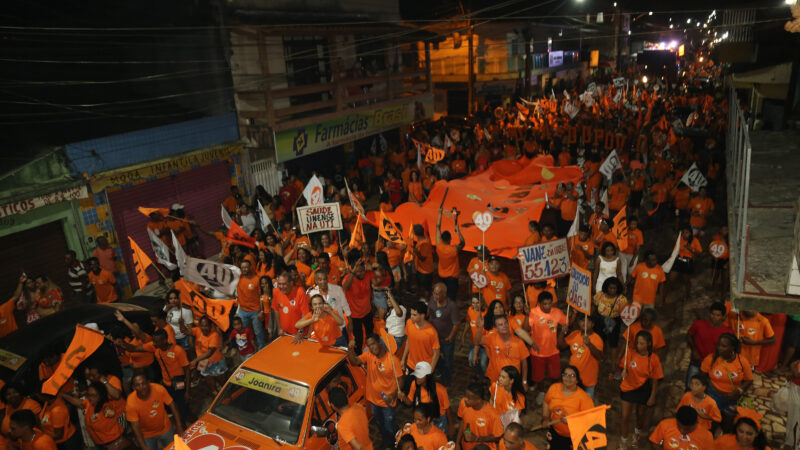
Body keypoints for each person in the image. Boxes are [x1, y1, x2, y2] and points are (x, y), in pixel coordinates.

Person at [119, 329, 191, 420]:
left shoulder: (178, 351)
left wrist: (188, 391)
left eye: (157, 341)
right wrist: (123, 343)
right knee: (173, 406)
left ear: (165, 340)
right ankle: (182, 420)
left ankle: (188, 419)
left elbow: (187, 370)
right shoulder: (154, 347)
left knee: (183, 405)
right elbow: (134, 348)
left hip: (179, 383)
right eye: (154, 341)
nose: (154, 343)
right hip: (166, 384)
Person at [347, 334, 402, 448]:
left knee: (389, 426)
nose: (371, 348)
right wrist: (350, 350)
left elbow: (400, 380)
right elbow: (354, 362)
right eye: (369, 346)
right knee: (381, 424)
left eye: (373, 344)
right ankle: (390, 440)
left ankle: (393, 444)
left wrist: (393, 394)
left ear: (379, 342)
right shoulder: (369, 355)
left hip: (387, 402)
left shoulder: (393, 360)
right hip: (373, 400)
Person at [619, 330, 663, 449]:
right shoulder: (630, 353)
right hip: (628, 387)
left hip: (643, 389)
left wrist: (652, 395)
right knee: (625, 417)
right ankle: (623, 441)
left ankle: (636, 436)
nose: (638, 346)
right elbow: (623, 369)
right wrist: (622, 371)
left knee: (640, 415)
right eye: (637, 343)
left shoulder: (654, 359)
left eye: (642, 343)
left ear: (648, 344)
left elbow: (655, 379)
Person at [701, 333, 753, 430]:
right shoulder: (711, 359)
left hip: (732, 398)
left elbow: (749, 380)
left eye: (724, 346)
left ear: (732, 348)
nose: (719, 348)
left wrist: (739, 391)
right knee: (711, 425)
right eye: (718, 345)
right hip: (713, 397)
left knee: (728, 425)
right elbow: (702, 378)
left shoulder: (742, 361)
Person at [60, 382, 128, 450]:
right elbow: (80, 403)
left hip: (114, 443)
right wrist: (63, 395)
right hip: (99, 444)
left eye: (93, 395)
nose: (90, 398)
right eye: (88, 395)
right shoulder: (90, 403)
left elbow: (110, 411)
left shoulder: (106, 405)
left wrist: (110, 412)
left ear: (100, 395)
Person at [527, 291, 567, 405]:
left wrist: (571, 317)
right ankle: (542, 392)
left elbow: (566, 322)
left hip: (553, 351)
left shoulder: (557, 312)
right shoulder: (533, 313)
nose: (548, 306)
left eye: (550, 303)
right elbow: (526, 328)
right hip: (537, 353)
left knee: (555, 375)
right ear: (539, 303)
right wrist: (526, 315)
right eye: (545, 304)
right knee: (539, 377)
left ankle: (554, 392)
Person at [542, 365, 594, 450]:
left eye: (572, 376)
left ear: (577, 380)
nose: (568, 378)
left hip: (573, 437)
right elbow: (546, 402)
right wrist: (545, 417)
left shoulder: (584, 398)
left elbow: (590, 420)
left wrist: (573, 421)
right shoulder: (554, 388)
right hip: (554, 431)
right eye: (565, 374)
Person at [126, 374, 183, 450]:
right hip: (147, 435)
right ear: (133, 388)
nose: (141, 387)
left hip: (165, 428)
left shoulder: (159, 389)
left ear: (148, 383)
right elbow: (135, 427)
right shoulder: (130, 403)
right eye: (138, 385)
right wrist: (143, 446)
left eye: (144, 383)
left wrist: (179, 426)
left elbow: (172, 405)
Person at [686, 302, 733, 388]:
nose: (714, 317)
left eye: (718, 315)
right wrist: (693, 349)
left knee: (709, 391)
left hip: (713, 367)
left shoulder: (727, 332)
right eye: (712, 314)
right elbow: (689, 335)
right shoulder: (698, 324)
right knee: (690, 388)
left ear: (723, 317)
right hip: (696, 363)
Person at [559, 313, 604, 399]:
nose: (585, 323)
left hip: (588, 380)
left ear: (593, 324)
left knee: (586, 406)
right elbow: (560, 346)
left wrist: (589, 344)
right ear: (579, 323)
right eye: (582, 321)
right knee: (572, 401)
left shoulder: (597, 339)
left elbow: (600, 357)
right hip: (573, 379)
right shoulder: (575, 334)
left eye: (588, 321)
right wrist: (562, 332)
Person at [403, 362, 454, 435]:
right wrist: (403, 397)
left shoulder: (440, 390)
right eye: (416, 375)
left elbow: (448, 409)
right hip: (422, 420)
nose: (417, 378)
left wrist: (451, 425)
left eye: (420, 376)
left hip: (438, 420)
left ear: (428, 376)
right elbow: (409, 402)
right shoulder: (414, 384)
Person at [474, 315, 528, 384]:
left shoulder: (519, 342)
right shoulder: (492, 338)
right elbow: (478, 341)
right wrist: (480, 328)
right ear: (496, 328)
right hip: (496, 379)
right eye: (501, 325)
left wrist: (524, 381)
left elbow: (524, 363)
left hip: (512, 380)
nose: (504, 326)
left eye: (506, 323)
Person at [308, 270, 353, 348]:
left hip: (340, 330)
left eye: (325, 279)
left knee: (344, 353)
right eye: (320, 279)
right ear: (316, 280)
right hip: (323, 333)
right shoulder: (312, 294)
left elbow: (345, 306)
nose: (323, 282)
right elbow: (311, 314)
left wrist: (350, 321)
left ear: (328, 279)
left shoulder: (338, 289)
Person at [182, 316, 227, 393]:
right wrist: (181, 323)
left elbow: (209, 353)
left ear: (211, 326)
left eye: (206, 325)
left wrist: (195, 360)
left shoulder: (215, 335)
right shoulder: (198, 330)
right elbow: (185, 331)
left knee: (222, 381)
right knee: (208, 379)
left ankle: (226, 394)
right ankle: (215, 393)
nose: (203, 328)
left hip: (216, 362)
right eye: (202, 325)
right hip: (202, 361)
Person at [427, 283, 460, 385]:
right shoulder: (432, 300)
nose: (435, 296)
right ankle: (439, 371)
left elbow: (456, 324)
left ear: (444, 294)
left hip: (445, 339)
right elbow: (429, 312)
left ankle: (447, 379)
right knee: (434, 357)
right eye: (434, 293)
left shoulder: (451, 306)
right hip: (434, 338)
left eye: (437, 294)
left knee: (447, 360)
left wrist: (450, 337)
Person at [456, 382, 503, 450]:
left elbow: (497, 437)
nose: (466, 400)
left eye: (469, 398)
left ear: (478, 400)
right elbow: (463, 423)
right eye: (466, 396)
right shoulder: (464, 404)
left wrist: (477, 438)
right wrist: (458, 443)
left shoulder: (493, 415)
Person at [343, 258, 374, 353]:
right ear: (353, 271)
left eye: (362, 270)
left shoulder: (368, 274)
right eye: (359, 271)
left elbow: (380, 273)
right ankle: (359, 356)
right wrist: (353, 273)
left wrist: (370, 265)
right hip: (355, 316)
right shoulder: (348, 278)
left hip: (367, 312)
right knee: (359, 338)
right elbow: (345, 287)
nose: (362, 273)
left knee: (370, 334)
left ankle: (370, 352)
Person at [649, 406, 714, 450]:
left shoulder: (707, 436)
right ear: (676, 420)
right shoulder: (664, 425)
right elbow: (655, 443)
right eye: (679, 427)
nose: (682, 431)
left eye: (687, 429)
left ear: (696, 423)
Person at [401, 301, 440, 373]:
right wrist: (403, 359)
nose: (411, 317)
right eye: (411, 314)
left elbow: (436, 353)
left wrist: (430, 370)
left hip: (424, 367)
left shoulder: (432, 332)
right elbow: (408, 342)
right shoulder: (409, 323)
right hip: (410, 365)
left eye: (414, 315)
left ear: (422, 316)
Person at [435, 206, 465, 301]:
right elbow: (463, 243)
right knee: (451, 298)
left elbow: (437, 227)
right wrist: (457, 229)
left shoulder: (438, 245)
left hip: (442, 276)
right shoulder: (453, 250)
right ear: (450, 239)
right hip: (452, 278)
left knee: (443, 297)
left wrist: (440, 213)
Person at [236, 260, 267, 348]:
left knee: (258, 332)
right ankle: (247, 348)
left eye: (246, 267)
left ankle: (261, 348)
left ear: (250, 268)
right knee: (243, 332)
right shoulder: (238, 279)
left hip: (255, 311)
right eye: (243, 268)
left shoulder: (257, 279)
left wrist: (262, 311)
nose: (245, 269)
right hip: (242, 310)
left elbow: (261, 296)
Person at [272, 272, 310, 336]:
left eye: (284, 284)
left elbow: (305, 313)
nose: (281, 287)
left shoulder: (300, 292)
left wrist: (300, 331)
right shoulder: (277, 292)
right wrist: (279, 328)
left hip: (298, 335)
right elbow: (276, 310)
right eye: (279, 284)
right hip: (284, 333)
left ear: (291, 283)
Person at [670, 226, 703, 298]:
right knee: (671, 278)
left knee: (686, 280)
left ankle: (687, 294)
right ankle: (670, 290)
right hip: (678, 260)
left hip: (687, 262)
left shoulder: (695, 240)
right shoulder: (679, 239)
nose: (685, 234)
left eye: (687, 233)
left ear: (690, 233)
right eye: (683, 233)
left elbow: (700, 253)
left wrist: (692, 249)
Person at [412, 225, 435, 298]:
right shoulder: (423, 240)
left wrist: (416, 252)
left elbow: (423, 258)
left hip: (425, 271)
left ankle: (426, 301)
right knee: (421, 286)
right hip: (421, 269)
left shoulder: (424, 244)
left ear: (415, 234)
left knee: (426, 288)